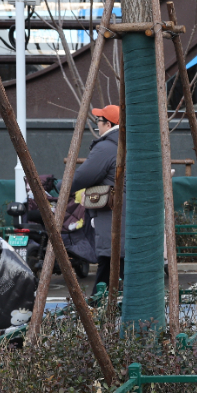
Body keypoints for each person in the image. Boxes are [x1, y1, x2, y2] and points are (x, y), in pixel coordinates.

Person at [72, 105, 121, 294]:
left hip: (111, 216)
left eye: (99, 121)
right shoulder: (126, 143)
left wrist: (60, 187)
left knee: (107, 266)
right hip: (126, 217)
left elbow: (81, 177)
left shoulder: (106, 147)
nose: (97, 125)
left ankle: (98, 313)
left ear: (108, 124)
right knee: (116, 267)